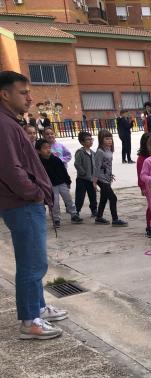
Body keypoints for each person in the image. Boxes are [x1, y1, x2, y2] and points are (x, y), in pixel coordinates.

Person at [0, 70, 65, 340]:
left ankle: (37, 308)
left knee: (35, 261)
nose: (29, 98)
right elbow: (10, 169)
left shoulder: (10, 122)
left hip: (24, 203)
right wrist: (35, 193)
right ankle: (30, 321)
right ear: (5, 94)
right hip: (22, 204)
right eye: (23, 93)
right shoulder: (4, 125)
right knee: (32, 263)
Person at [36, 139, 83, 228]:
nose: (48, 150)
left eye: (49, 147)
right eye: (45, 148)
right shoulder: (39, 163)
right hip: (51, 186)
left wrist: (68, 181)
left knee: (68, 200)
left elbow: (63, 171)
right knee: (55, 203)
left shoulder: (56, 159)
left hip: (62, 183)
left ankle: (74, 215)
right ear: (38, 151)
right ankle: (56, 219)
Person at [93, 128, 127, 226]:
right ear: (101, 140)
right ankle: (115, 219)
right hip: (101, 179)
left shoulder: (109, 151)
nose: (109, 140)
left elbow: (107, 165)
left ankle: (99, 217)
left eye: (110, 138)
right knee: (113, 198)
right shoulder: (100, 152)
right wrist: (94, 181)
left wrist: (110, 175)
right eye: (106, 139)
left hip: (106, 178)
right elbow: (96, 167)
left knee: (104, 198)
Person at [74, 131, 98, 217]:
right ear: (82, 142)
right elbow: (77, 164)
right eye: (88, 139)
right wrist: (83, 173)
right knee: (80, 196)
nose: (90, 141)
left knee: (93, 195)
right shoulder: (80, 152)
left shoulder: (93, 153)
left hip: (91, 179)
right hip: (82, 179)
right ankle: (76, 211)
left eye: (91, 139)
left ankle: (94, 210)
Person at [136, 132, 151, 237]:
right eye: (150, 145)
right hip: (148, 187)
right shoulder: (142, 159)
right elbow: (140, 174)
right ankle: (149, 226)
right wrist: (142, 187)